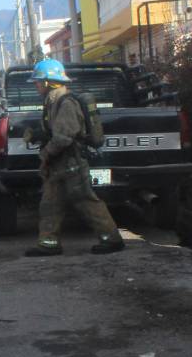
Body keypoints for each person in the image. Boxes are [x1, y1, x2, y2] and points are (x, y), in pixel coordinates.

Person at [24, 59, 124, 257]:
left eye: (37, 82)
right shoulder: (52, 101)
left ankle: (112, 239)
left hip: (71, 164)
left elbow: (64, 137)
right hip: (59, 165)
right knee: (50, 203)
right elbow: (56, 132)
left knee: (86, 201)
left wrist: (46, 154)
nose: (35, 85)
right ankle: (48, 243)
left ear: (47, 82)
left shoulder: (66, 103)